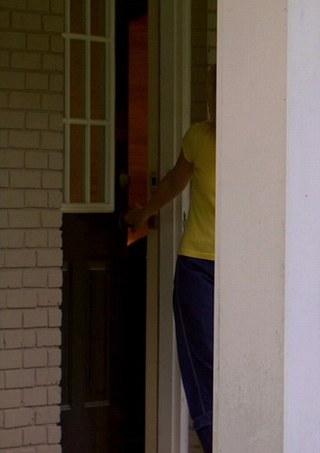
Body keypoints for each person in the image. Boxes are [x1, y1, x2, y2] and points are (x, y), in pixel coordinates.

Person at [124, 65, 216, 453]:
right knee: (202, 358)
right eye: (212, 90)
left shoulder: (259, 138)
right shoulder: (198, 137)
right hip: (197, 264)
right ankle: (213, 441)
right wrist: (143, 213)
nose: (216, 99)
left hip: (245, 268)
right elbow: (176, 181)